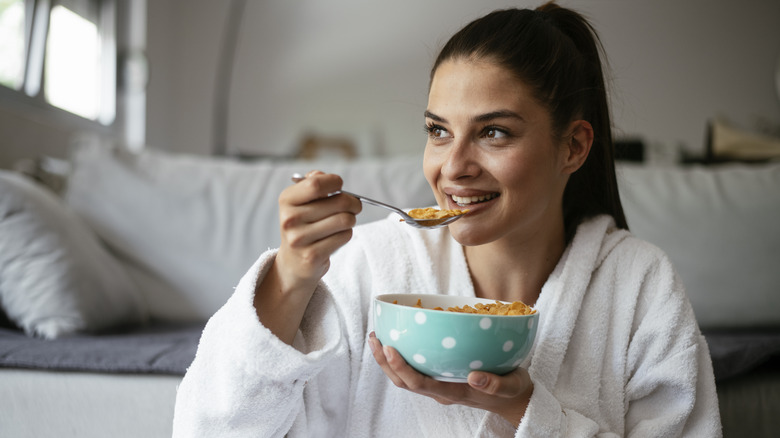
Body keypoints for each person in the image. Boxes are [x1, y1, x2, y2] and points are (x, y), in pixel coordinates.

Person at [172, 2, 722, 436]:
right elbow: (209, 429)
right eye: (438, 131)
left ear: (573, 147)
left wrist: (527, 411)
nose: (453, 168)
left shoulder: (639, 285)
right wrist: (291, 275)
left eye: (493, 132)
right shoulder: (368, 264)